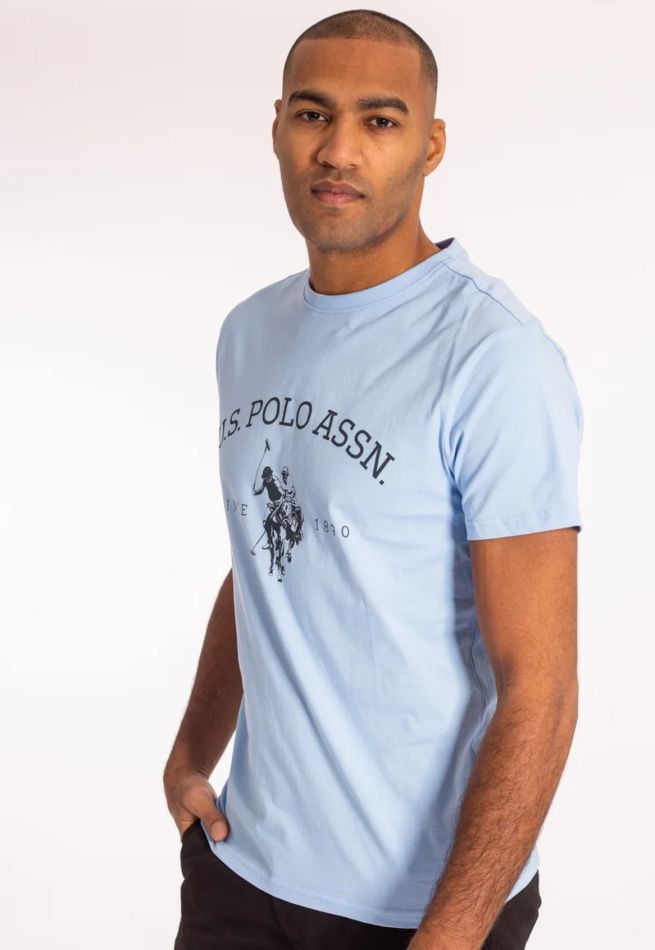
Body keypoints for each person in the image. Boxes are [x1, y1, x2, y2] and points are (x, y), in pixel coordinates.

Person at [163, 9, 583, 950]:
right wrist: (192, 752)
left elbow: (541, 687)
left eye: (380, 120)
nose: (338, 149)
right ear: (278, 127)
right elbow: (269, 557)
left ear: (430, 146)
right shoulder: (250, 332)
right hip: (241, 869)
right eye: (313, 114)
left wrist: (451, 934)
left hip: (422, 911)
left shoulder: (493, 358)